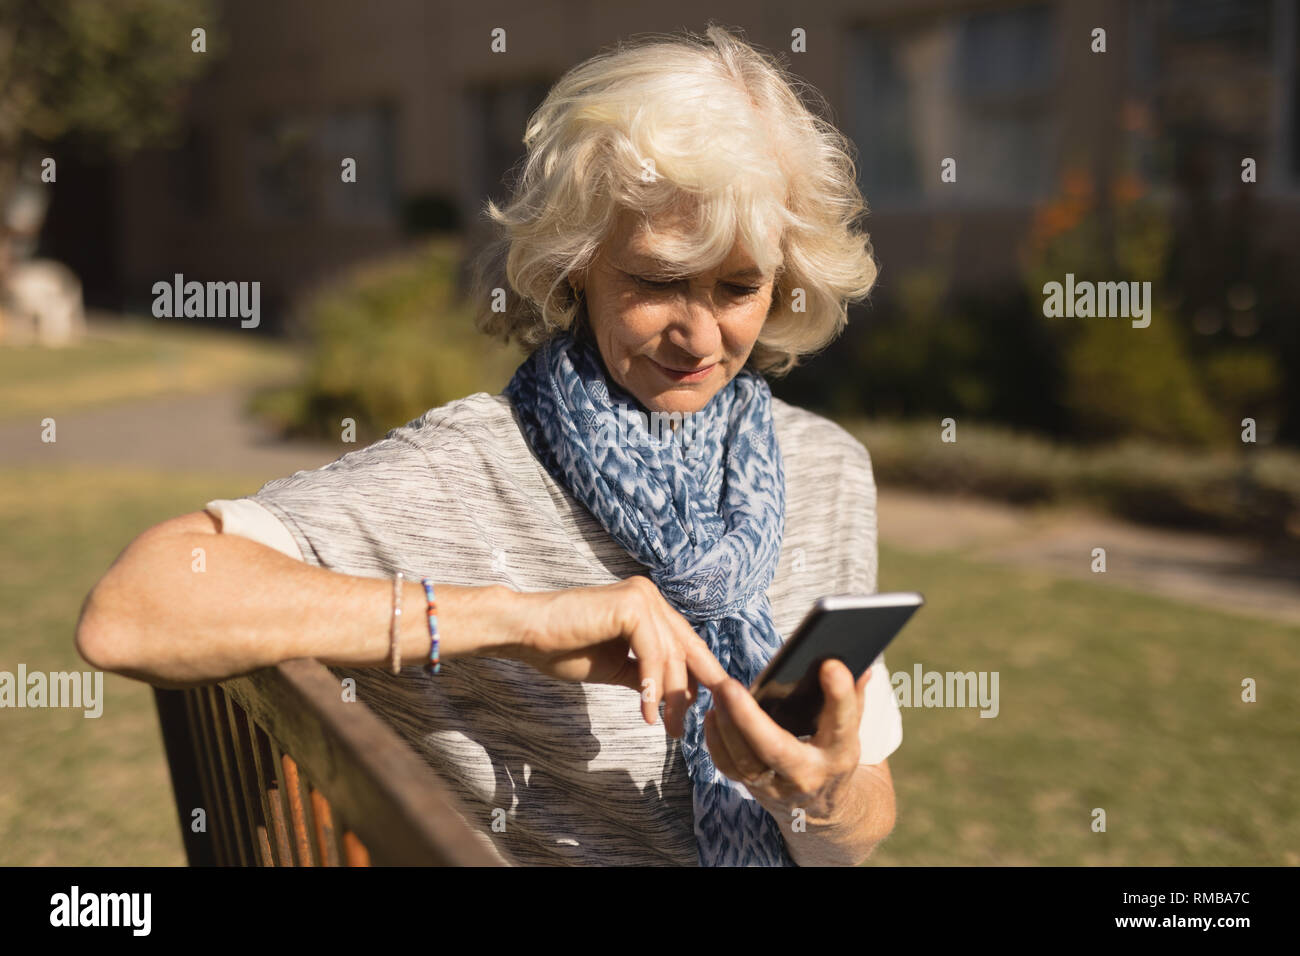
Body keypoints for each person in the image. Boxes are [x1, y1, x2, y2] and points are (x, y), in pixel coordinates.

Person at [75, 24, 900, 867]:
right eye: (655, 282)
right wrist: (513, 621)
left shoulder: (826, 470)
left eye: (738, 288)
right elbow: (131, 612)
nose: (697, 335)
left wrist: (821, 793)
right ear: (576, 262)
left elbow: (859, 816)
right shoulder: (468, 471)